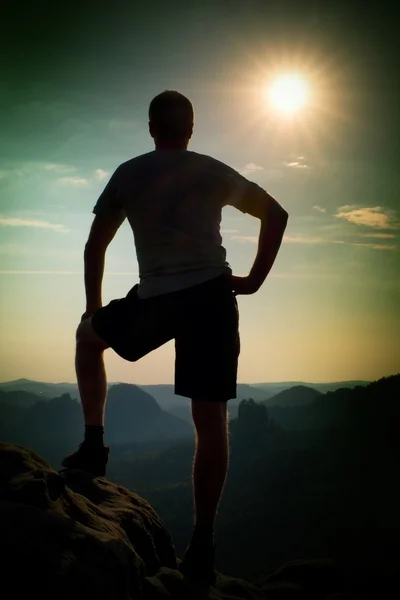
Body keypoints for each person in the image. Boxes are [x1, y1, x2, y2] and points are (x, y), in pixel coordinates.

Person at [61, 90, 288, 585]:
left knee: (87, 339)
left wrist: (94, 307)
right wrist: (251, 281)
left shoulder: (129, 173)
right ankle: (203, 543)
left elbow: (95, 243)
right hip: (211, 297)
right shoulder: (212, 169)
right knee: (211, 421)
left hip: (157, 299)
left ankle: (94, 445)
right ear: (190, 128)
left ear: (150, 128)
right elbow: (277, 213)